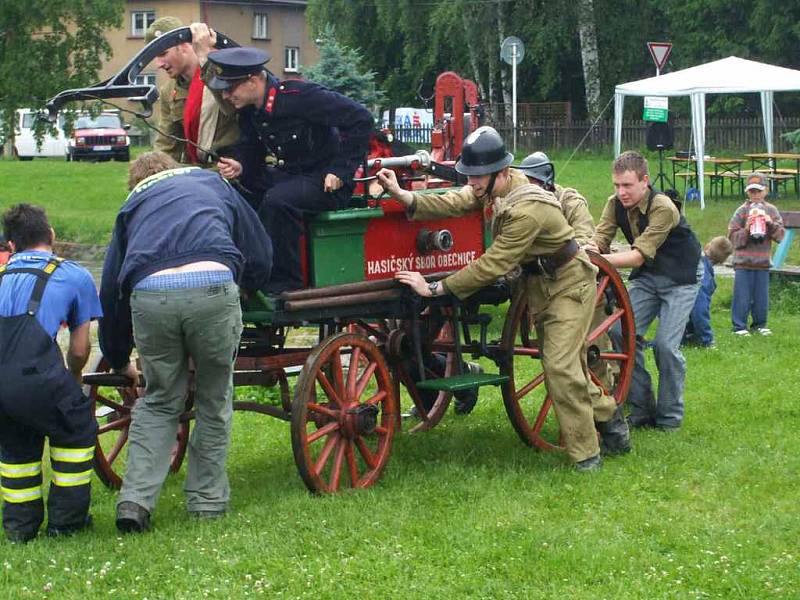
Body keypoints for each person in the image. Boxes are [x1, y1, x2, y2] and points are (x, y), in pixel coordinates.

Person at [377, 126, 630, 471]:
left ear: (502, 172)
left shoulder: (527, 209)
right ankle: (610, 415)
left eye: (478, 177)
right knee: (565, 365)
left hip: (569, 284)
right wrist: (406, 197)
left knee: (559, 365)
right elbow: (458, 199)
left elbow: (492, 265)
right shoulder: (495, 186)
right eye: (471, 176)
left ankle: (587, 457)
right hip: (539, 284)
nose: (473, 183)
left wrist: (435, 288)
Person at [99, 152, 273, 533]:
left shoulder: (134, 204)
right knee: (213, 397)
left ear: (137, 183)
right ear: (173, 169)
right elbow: (259, 249)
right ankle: (207, 502)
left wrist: (115, 356)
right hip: (212, 283)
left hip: (149, 291)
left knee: (160, 399)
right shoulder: (213, 183)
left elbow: (111, 290)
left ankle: (135, 501)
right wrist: (247, 287)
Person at [202, 44, 373, 293]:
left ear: (252, 81)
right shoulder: (251, 110)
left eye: (230, 88)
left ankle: (285, 284)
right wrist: (240, 165)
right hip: (291, 177)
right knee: (232, 195)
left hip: (326, 181)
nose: (226, 96)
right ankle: (246, 272)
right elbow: (251, 147)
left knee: (277, 201)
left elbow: (361, 119)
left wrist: (340, 170)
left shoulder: (302, 97)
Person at [0, 204, 101, 543]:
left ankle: (19, 528)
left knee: (16, 450)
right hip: (39, 377)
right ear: (52, 235)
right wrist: (74, 382)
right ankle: (66, 523)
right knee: (75, 430)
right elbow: (79, 350)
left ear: (10, 246)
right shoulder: (74, 275)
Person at [585, 151, 702, 432]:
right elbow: (600, 238)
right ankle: (641, 408)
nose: (621, 192)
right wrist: (586, 250)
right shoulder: (615, 204)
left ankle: (669, 418)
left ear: (645, 181)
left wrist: (592, 260)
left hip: (681, 277)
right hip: (650, 276)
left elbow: (637, 257)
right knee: (620, 332)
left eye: (627, 185)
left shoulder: (663, 207)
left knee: (665, 346)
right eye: (616, 185)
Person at [519, 150, 619, 409]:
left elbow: (585, 242)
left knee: (592, 351)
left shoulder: (570, 201)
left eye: (534, 183)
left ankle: (609, 402)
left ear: (546, 183)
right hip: (542, 285)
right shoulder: (522, 205)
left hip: (581, 284)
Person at [145, 17, 239, 165]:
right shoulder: (169, 91)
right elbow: (167, 145)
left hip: (232, 167)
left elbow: (232, 108)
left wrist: (205, 57)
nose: (158, 64)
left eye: (163, 54)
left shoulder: (222, 72)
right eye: (155, 57)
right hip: (197, 170)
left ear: (183, 46)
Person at [728, 172, 785, 336]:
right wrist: (746, 228)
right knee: (742, 296)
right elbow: (732, 237)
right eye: (752, 191)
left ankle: (760, 324)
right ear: (747, 192)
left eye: (758, 191)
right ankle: (739, 326)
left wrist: (769, 222)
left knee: (761, 297)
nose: (755, 195)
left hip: (762, 262)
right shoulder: (741, 211)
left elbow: (780, 236)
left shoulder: (771, 210)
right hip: (743, 262)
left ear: (765, 191)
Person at [682, 236, 733, 348]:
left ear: (707, 246)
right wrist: (707, 339)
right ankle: (691, 336)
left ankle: (689, 335)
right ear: (724, 259)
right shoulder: (704, 275)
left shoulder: (694, 261)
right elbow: (700, 309)